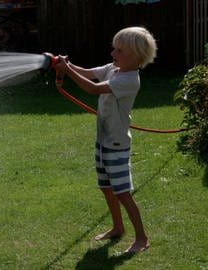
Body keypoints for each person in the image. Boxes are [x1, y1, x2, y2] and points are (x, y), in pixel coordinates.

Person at [54, 26, 157, 253]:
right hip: (103, 140)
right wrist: (67, 65)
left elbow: (92, 88)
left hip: (117, 144)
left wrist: (67, 71)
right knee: (106, 187)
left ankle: (142, 238)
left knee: (122, 191)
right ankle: (118, 227)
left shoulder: (129, 80)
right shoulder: (114, 69)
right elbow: (89, 72)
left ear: (136, 57)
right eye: (114, 49)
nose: (113, 54)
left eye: (119, 51)